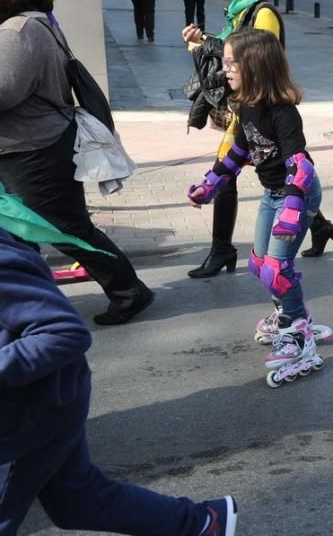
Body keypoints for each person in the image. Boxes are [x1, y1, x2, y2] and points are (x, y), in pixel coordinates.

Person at [0, 213, 237, 535]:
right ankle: (202, 523)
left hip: (28, 417)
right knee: (77, 500)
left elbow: (64, 332)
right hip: (50, 399)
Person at [0, 0, 154, 326]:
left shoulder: (19, 31)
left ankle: (128, 290)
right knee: (23, 231)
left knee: (64, 228)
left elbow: (2, 93)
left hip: (35, 150)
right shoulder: (35, 23)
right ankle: (28, 301)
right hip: (34, 146)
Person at [181, 0, 333, 277]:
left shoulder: (262, 13)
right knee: (249, 166)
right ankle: (318, 225)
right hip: (246, 111)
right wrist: (203, 45)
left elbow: (258, 60)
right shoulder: (239, 10)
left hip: (258, 110)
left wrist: (295, 209)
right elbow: (232, 52)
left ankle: (223, 249)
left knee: (270, 168)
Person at [187, 29, 326, 386]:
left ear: (256, 66)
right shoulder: (246, 104)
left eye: (232, 63)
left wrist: (293, 211)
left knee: (278, 269)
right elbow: (240, 151)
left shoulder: (282, 112)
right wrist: (211, 184)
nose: (225, 69)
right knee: (260, 265)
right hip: (273, 195)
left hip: (297, 194)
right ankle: (291, 314)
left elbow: (301, 164)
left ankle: (298, 338)